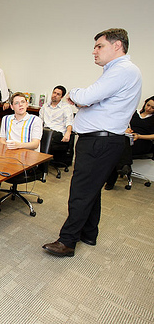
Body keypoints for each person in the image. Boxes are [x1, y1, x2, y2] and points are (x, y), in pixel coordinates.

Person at [43, 28, 142, 257]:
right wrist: (86, 99)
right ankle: (89, 233)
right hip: (101, 140)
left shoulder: (123, 70)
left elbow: (85, 98)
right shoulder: (117, 72)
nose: (94, 51)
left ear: (117, 46)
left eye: (99, 46)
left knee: (80, 192)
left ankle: (67, 242)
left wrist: (78, 93)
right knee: (91, 190)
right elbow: (91, 101)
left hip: (101, 142)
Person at [105, 96, 154, 189]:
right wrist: (125, 129)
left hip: (143, 143)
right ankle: (124, 166)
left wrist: (139, 136)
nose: (148, 109)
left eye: (152, 108)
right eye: (148, 105)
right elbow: (122, 123)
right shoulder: (134, 113)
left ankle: (112, 180)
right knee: (119, 145)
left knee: (117, 150)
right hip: (128, 140)